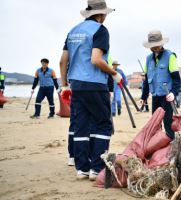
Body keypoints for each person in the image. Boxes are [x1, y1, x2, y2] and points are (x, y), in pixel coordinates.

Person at [59, 0, 120, 180]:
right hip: (95, 84)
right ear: (102, 14)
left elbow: (63, 61)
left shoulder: (73, 31)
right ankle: (96, 169)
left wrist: (65, 85)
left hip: (76, 85)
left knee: (81, 126)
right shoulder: (100, 30)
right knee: (103, 124)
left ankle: (82, 169)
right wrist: (114, 73)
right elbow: (96, 59)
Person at [140, 30, 181, 140]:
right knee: (155, 123)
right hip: (155, 96)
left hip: (167, 97)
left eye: (156, 45)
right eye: (152, 46)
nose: (155, 48)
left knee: (168, 122)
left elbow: (176, 79)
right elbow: (146, 80)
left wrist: (174, 93)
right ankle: (157, 148)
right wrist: (143, 97)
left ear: (162, 43)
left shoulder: (170, 56)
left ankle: (170, 147)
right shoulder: (148, 59)